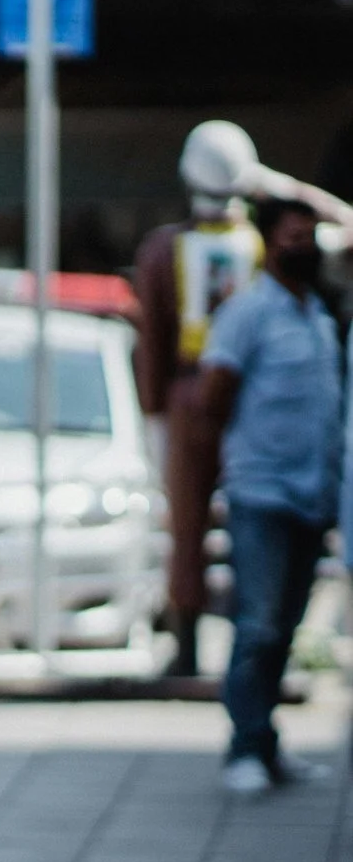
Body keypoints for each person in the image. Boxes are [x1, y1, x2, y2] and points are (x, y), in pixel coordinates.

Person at [199, 197, 347, 793]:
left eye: (312, 235)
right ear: (268, 241)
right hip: (262, 493)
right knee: (256, 625)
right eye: (293, 235)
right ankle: (243, 747)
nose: (305, 246)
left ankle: (267, 742)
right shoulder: (248, 312)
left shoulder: (318, 314)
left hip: (315, 494)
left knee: (286, 627)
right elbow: (212, 398)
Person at [134, 124, 265, 677]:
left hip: (190, 394)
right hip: (251, 399)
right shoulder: (262, 243)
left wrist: (152, 410)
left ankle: (187, 647)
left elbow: (153, 338)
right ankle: (252, 643)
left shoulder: (165, 247)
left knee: (186, 524)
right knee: (253, 523)